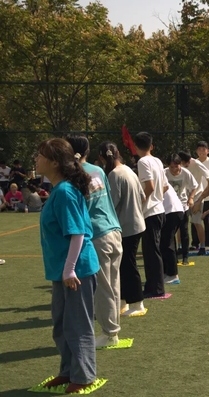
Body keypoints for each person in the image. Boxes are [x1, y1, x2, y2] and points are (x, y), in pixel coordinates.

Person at [35, 138, 99, 394]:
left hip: (76, 271)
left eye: (41, 155)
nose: (36, 159)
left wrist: (70, 269)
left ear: (54, 162)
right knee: (61, 324)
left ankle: (84, 376)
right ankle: (68, 371)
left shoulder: (64, 192)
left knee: (77, 325)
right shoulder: (60, 190)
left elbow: (77, 233)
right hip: (63, 271)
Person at [67, 135, 123, 348]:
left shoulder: (73, 175)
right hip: (114, 230)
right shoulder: (98, 170)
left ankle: (109, 333)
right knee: (113, 285)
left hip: (98, 234)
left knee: (103, 288)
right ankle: (113, 330)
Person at [98, 142, 146, 317]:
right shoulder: (128, 170)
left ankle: (137, 303)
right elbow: (142, 196)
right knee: (124, 265)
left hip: (126, 226)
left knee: (128, 266)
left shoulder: (114, 175)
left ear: (102, 158)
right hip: (136, 223)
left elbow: (110, 203)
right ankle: (124, 301)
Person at [135, 132, 167, 298]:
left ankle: (156, 288)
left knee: (152, 252)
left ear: (135, 146)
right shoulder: (157, 161)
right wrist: (156, 198)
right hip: (159, 209)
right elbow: (165, 186)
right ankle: (152, 286)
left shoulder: (142, 162)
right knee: (151, 251)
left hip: (151, 212)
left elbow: (150, 186)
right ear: (151, 146)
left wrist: (140, 202)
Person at [179, 149, 209, 255]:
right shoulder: (177, 165)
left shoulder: (197, 164)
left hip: (197, 196)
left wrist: (202, 197)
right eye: (183, 163)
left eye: (187, 163)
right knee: (179, 223)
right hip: (183, 197)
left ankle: (202, 247)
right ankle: (180, 247)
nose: (185, 165)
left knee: (197, 222)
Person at [165, 154, 198, 265]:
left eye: (176, 166)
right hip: (169, 207)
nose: (174, 169)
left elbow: (194, 186)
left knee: (184, 231)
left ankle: (185, 256)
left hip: (183, 206)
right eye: (172, 167)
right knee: (171, 232)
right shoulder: (164, 173)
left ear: (180, 164)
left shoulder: (185, 173)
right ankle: (173, 257)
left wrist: (191, 198)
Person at [161, 184, 185, 284]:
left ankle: (173, 275)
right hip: (174, 210)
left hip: (171, 211)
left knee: (167, 243)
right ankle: (167, 272)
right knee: (165, 242)